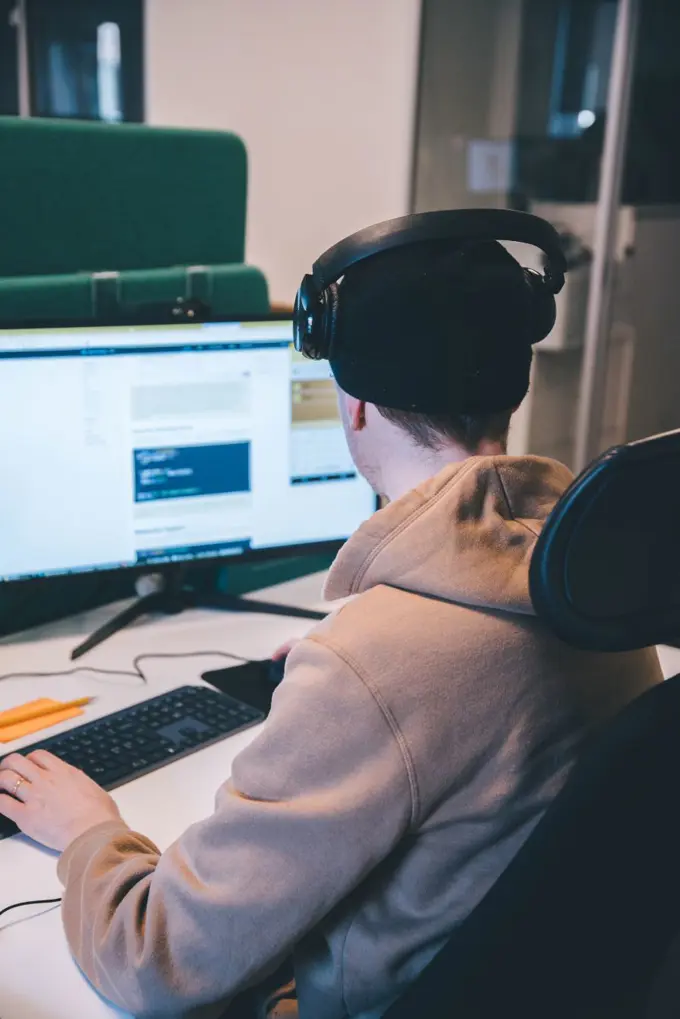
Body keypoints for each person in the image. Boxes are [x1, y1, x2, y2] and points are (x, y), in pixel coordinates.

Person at [0, 213, 662, 1019]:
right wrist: (357, 666)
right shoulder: (593, 573)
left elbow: (154, 958)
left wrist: (86, 830)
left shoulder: (382, 657)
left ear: (353, 407)